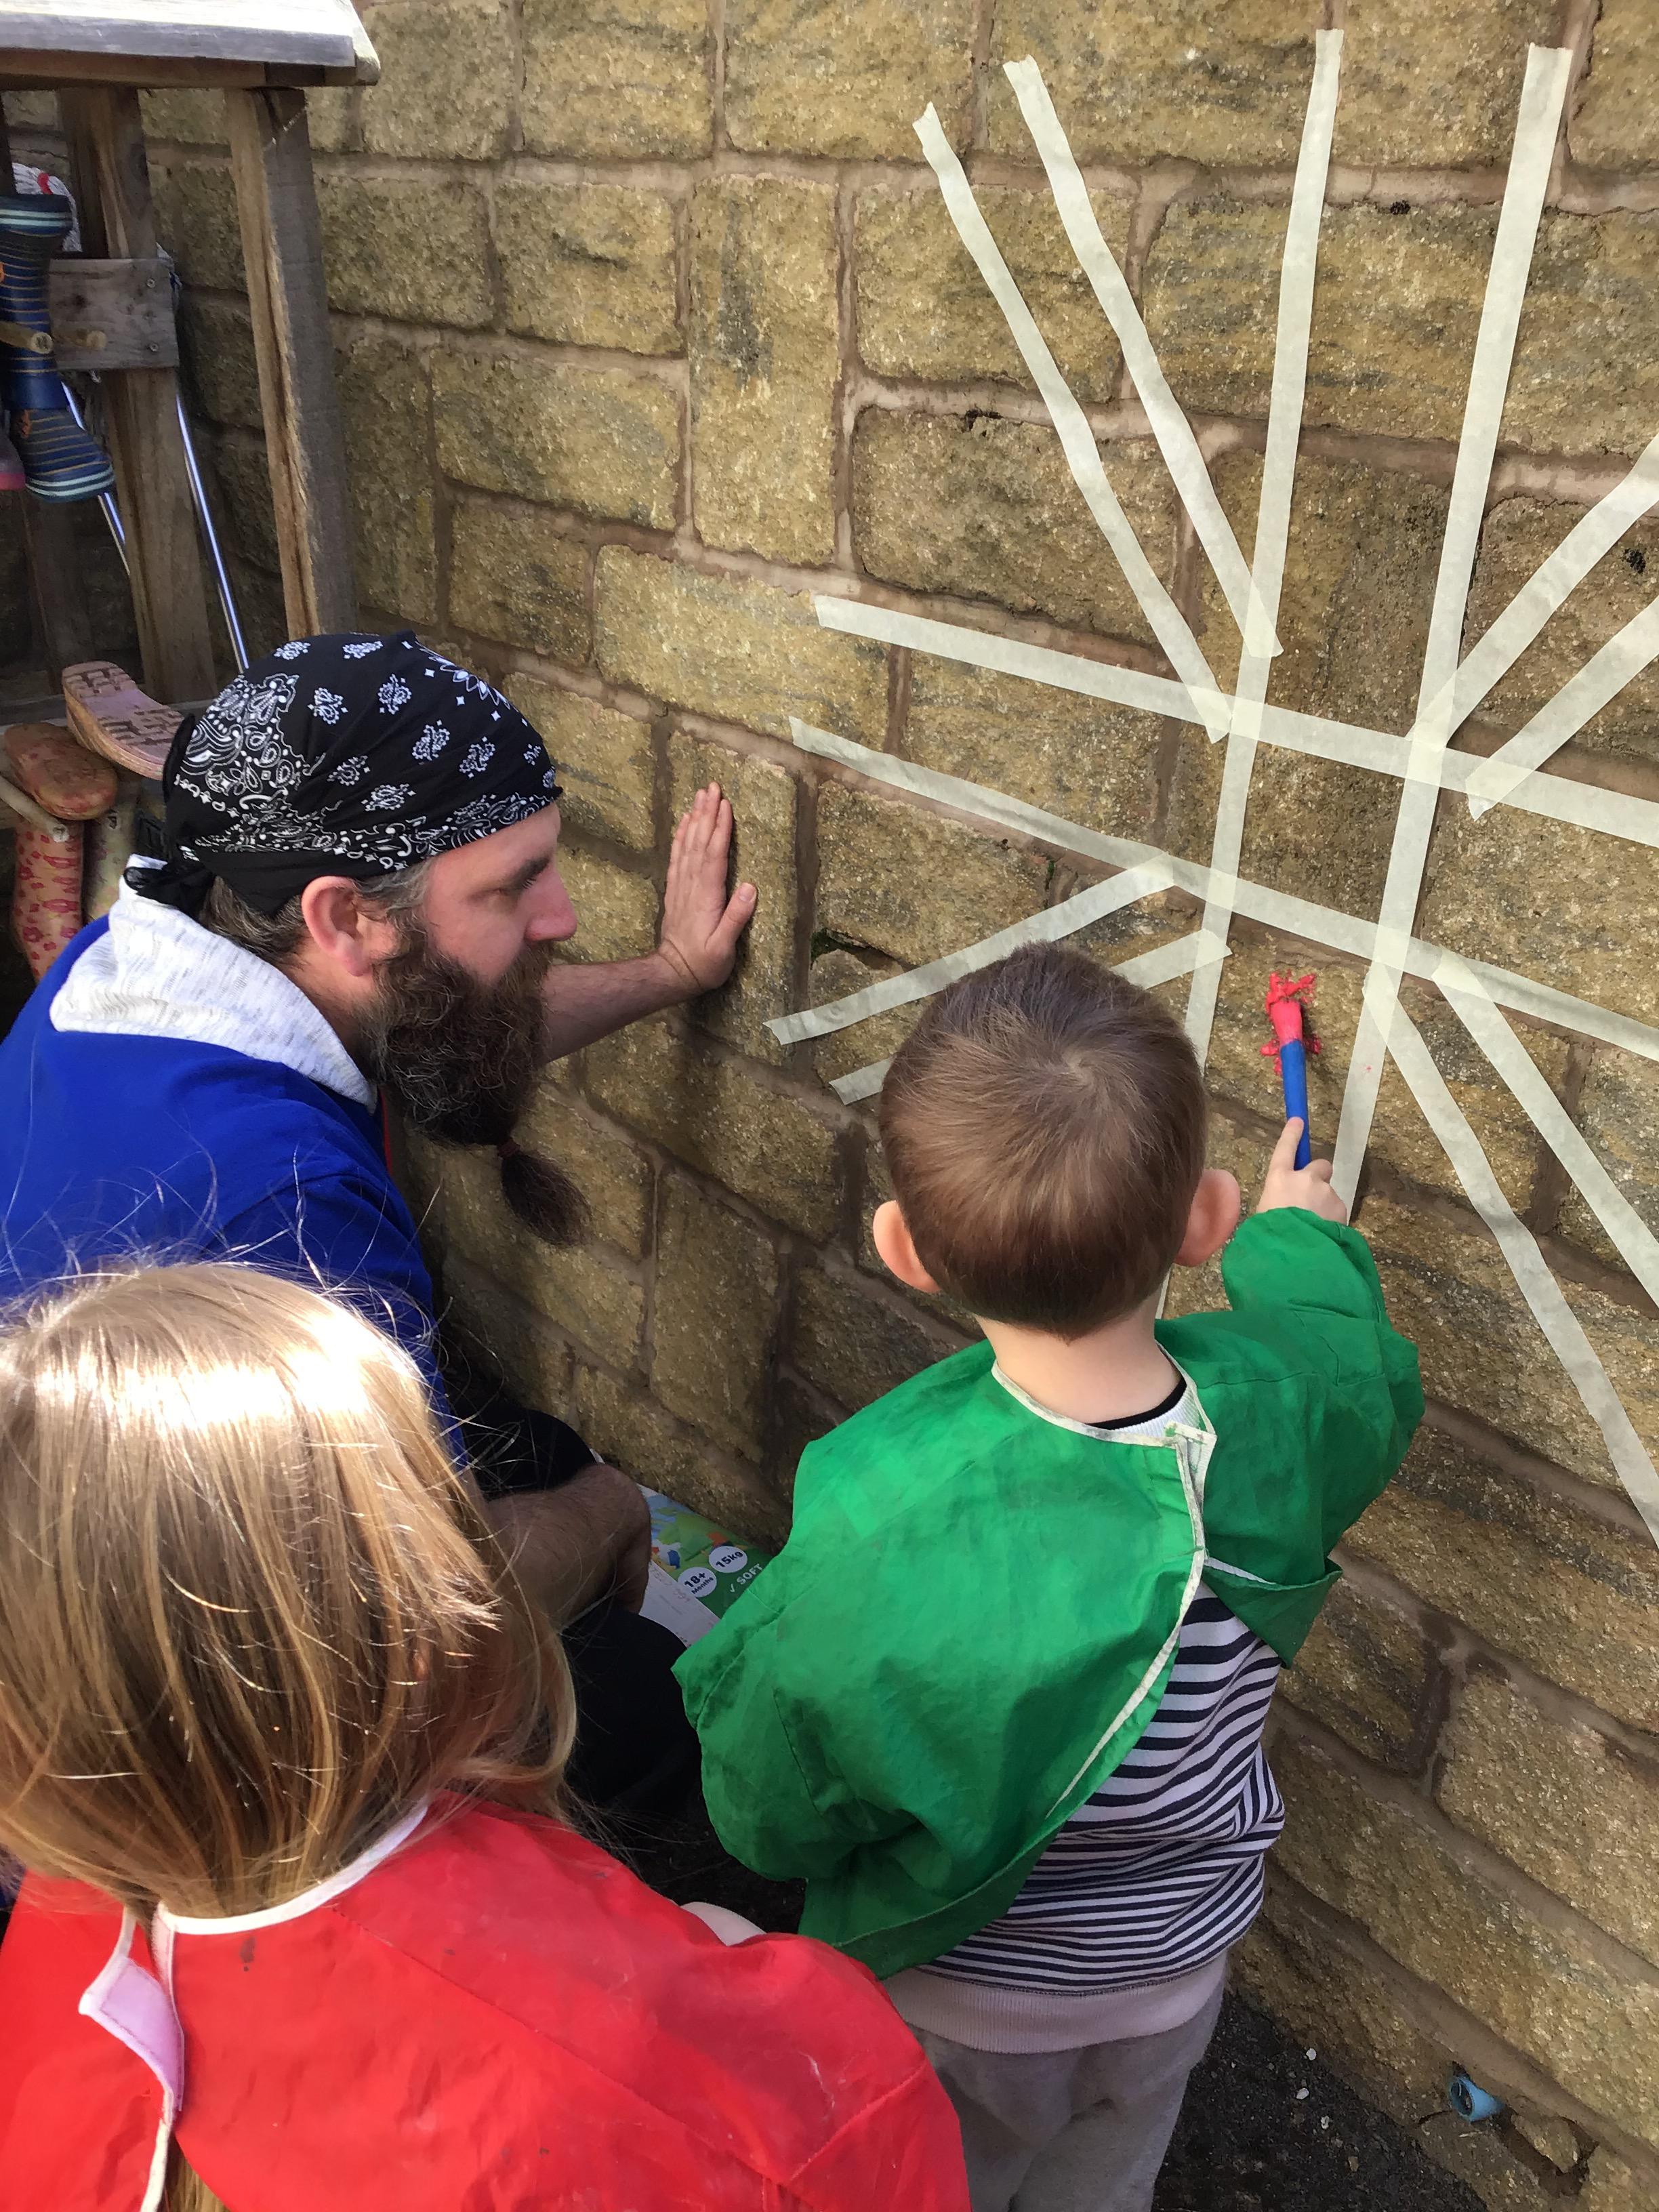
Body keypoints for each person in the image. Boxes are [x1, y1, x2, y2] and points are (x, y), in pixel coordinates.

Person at [678, 945, 1424, 2212]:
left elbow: (771, 1800)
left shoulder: (884, 1522)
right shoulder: (1286, 1417)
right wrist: (1298, 1242)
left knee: (933, 2188)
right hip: (1173, 1975)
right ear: (1205, 1220)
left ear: (904, 1249)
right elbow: (1349, 1362)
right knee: (1101, 2189)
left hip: (958, 2002)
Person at [0, 1261, 970, 2211]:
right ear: (430, 1631)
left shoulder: (68, 1922)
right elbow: (850, 2128)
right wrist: (735, 1968)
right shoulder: (610, 2073)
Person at [0, 630, 755, 1807]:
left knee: (541, 1457)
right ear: (346, 917)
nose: (560, 917)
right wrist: (611, 1511)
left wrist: (670, 971)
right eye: (513, 886)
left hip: (118, 1557)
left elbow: (443, 1025)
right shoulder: (285, 1212)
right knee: (650, 1695)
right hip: (170, 1728)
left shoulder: (136, 963)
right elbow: (421, 1634)